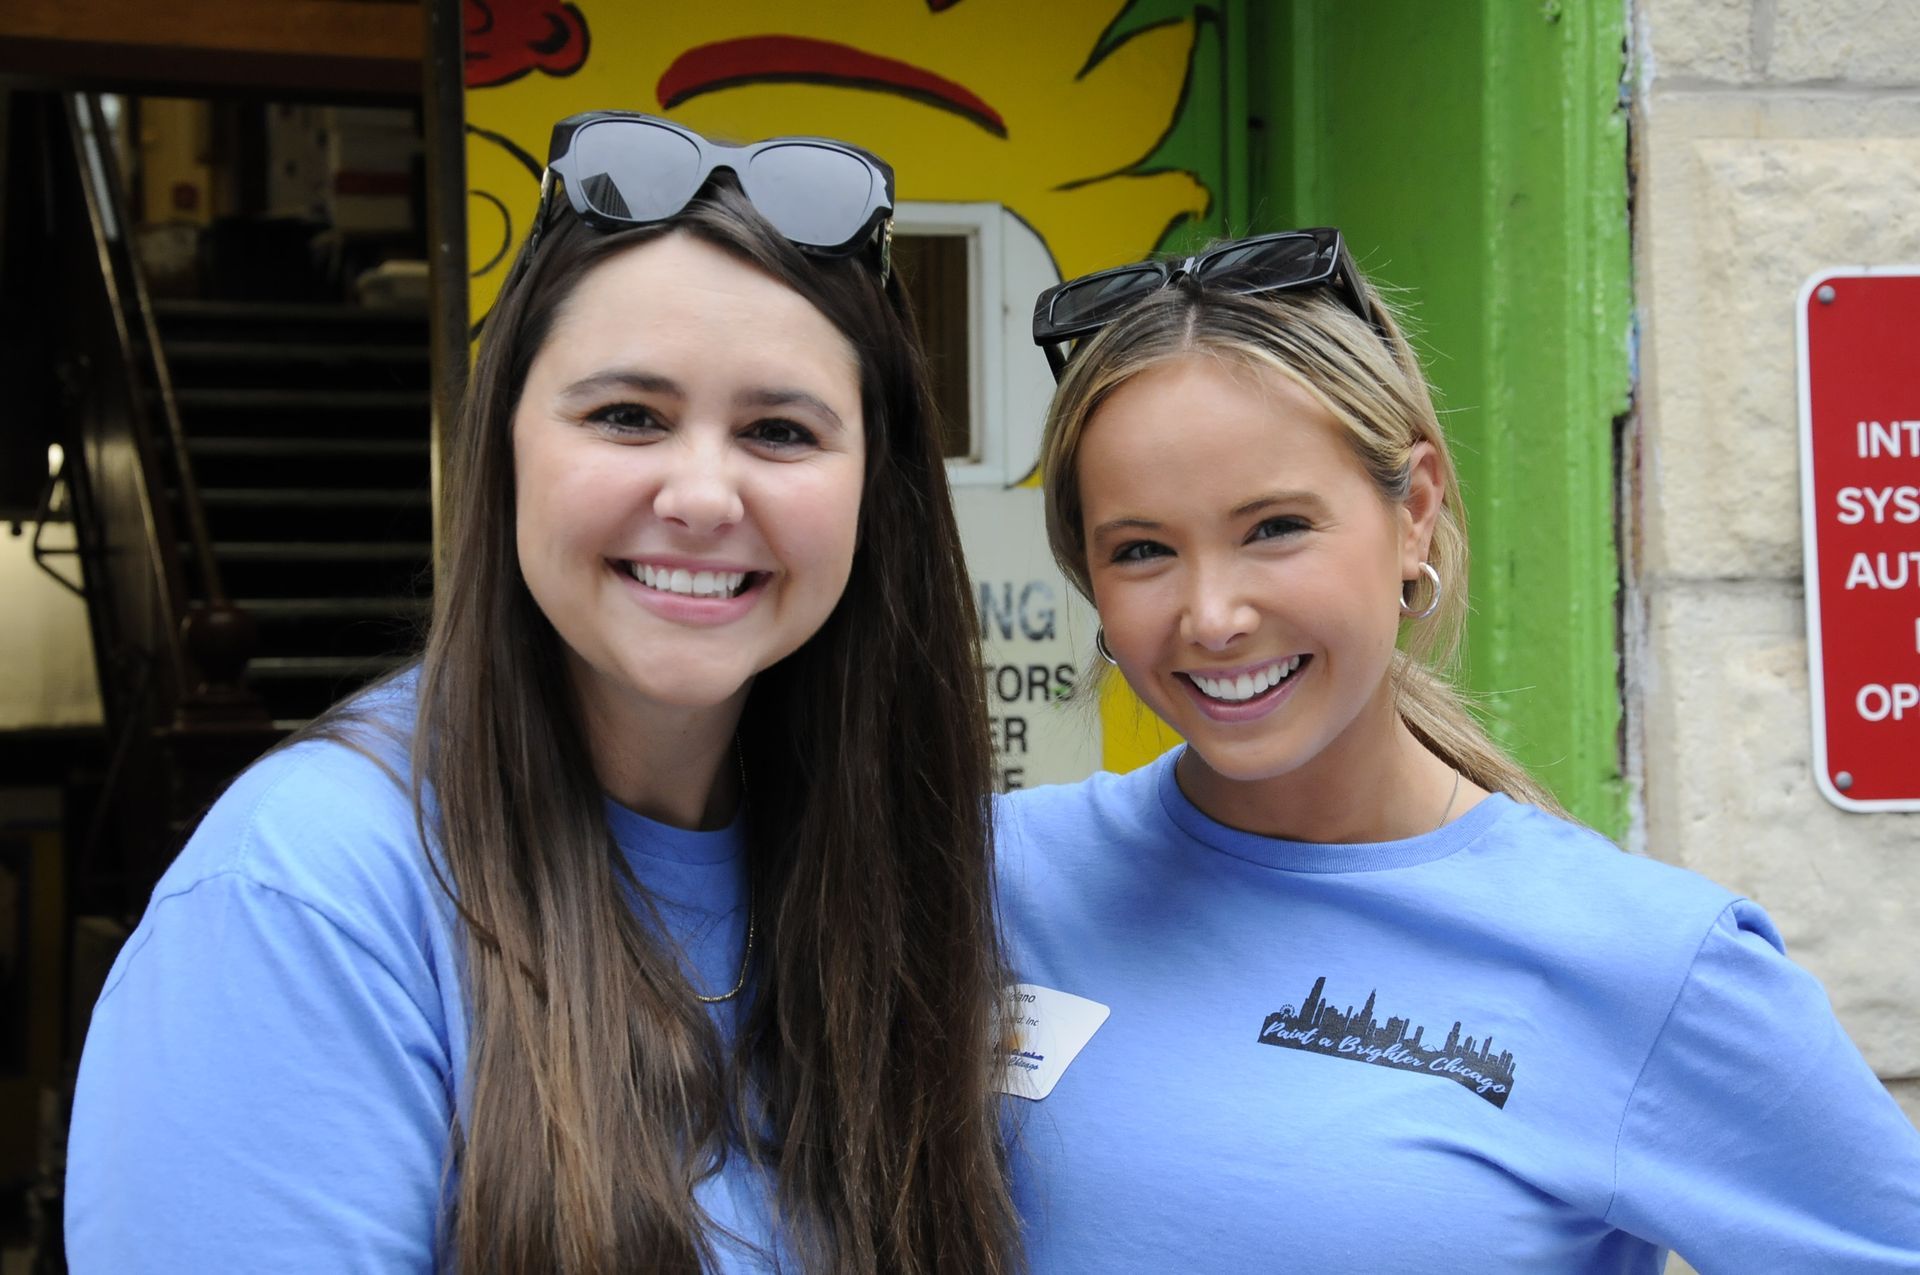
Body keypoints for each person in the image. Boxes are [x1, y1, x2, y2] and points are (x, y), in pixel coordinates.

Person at [66, 112, 1019, 1274]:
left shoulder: (900, 861)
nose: (704, 495)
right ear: (504, 442)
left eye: (780, 430)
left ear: (879, 490)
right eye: (628, 416)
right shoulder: (304, 895)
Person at [997, 228, 1920, 1272]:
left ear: (1416, 516)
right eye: (1144, 550)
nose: (1212, 616)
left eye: (1275, 528)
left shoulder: (1648, 963)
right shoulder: (990, 882)